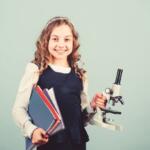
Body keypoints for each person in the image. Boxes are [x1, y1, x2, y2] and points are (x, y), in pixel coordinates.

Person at [12, 16, 107, 150]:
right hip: (46, 144)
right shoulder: (35, 70)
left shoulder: (80, 75)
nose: (61, 44)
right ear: (46, 40)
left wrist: (92, 106)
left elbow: (81, 118)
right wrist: (32, 130)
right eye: (55, 39)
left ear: (73, 42)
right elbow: (18, 109)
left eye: (67, 39)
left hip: (76, 144)